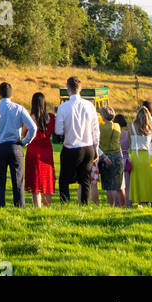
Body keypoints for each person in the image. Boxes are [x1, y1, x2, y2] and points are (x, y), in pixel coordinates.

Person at [53, 76, 100, 205]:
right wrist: (96, 147)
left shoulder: (64, 107)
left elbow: (59, 131)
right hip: (88, 146)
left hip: (71, 146)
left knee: (64, 180)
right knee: (85, 180)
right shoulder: (89, 106)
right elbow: (95, 129)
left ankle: (65, 203)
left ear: (68, 89)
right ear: (81, 89)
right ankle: (84, 205)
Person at [0, 81, 36, 208]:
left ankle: (0, 205)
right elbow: (33, 127)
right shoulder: (19, 108)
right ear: (11, 94)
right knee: (18, 179)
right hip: (15, 146)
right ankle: (19, 205)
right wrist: (25, 141)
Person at [24, 92, 55, 208]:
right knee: (47, 179)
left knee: (35, 181)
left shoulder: (30, 118)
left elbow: (24, 133)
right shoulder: (50, 117)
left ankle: (37, 207)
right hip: (47, 152)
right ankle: (48, 206)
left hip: (33, 151)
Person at [129, 106, 152, 207]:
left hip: (136, 156)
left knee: (139, 182)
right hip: (148, 156)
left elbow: (131, 143)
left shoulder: (132, 126)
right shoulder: (151, 127)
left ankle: (140, 204)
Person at [98, 106, 125, 208]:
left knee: (108, 186)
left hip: (106, 156)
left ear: (103, 116)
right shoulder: (117, 126)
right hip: (118, 155)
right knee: (120, 185)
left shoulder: (101, 128)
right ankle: (123, 206)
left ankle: (111, 206)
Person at [116, 112, 132, 204]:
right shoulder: (127, 134)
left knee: (117, 183)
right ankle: (128, 201)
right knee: (127, 184)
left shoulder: (115, 135)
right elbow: (130, 146)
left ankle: (118, 202)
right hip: (127, 161)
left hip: (118, 159)